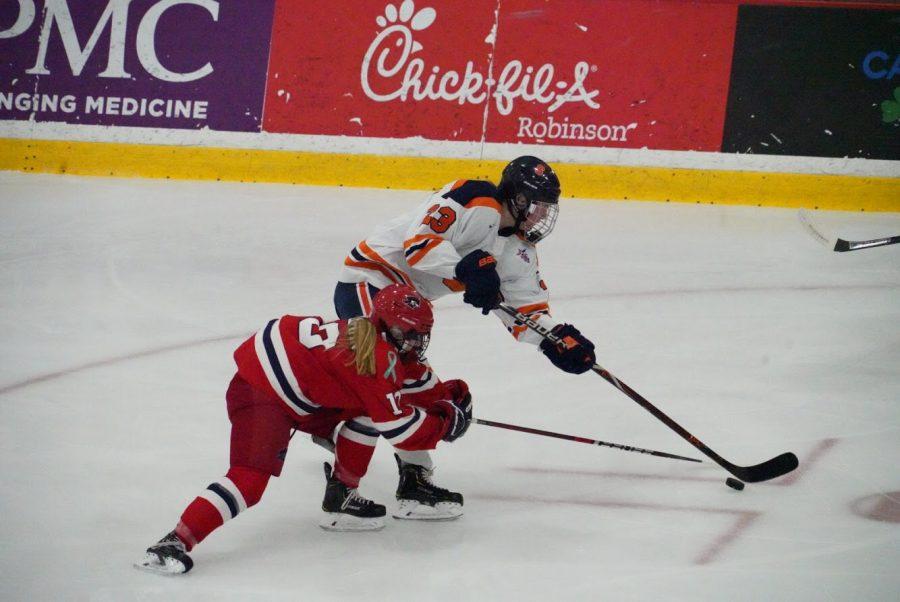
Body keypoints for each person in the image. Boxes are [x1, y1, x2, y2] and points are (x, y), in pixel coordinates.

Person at [136, 285, 473, 575]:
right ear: (385, 328)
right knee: (250, 480)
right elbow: (401, 430)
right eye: (407, 335)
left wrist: (450, 397)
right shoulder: (376, 358)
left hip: (300, 388)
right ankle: (173, 542)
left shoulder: (376, 340)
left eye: (420, 335)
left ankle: (341, 497)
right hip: (262, 393)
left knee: (370, 408)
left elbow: (414, 383)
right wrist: (445, 422)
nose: (414, 343)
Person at [329, 155, 596, 519]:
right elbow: (418, 245)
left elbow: (526, 313)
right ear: (517, 198)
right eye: (537, 206)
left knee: (412, 385)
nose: (541, 216)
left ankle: (409, 479)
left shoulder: (520, 252)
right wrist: (466, 269)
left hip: (407, 307)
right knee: (389, 383)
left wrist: (556, 340)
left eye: (548, 209)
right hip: (371, 280)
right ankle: (349, 482)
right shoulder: (475, 198)